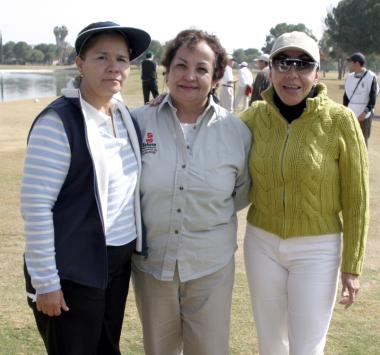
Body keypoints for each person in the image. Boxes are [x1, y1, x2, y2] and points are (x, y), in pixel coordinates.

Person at [20, 21, 151, 355]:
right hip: (73, 270)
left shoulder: (124, 116)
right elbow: (36, 207)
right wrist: (45, 282)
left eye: (121, 59)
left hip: (116, 262)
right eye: (101, 57)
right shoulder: (59, 121)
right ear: (80, 63)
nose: (113, 67)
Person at [240, 31, 369, 355]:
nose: (292, 74)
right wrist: (169, 101)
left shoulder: (341, 121)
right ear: (270, 69)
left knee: (306, 347)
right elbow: (211, 134)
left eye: (303, 64)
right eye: (283, 63)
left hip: (317, 250)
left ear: (316, 71)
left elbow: (357, 199)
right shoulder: (254, 116)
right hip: (262, 244)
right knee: (271, 343)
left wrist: (351, 266)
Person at [131, 29, 251, 355]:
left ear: (215, 78)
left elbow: (240, 193)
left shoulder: (236, 132)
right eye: (181, 66)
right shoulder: (137, 122)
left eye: (202, 68)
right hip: (152, 266)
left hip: (210, 266)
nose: (190, 76)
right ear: (167, 71)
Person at [343, 52, 379, 147]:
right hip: (351, 114)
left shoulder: (371, 77)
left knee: (363, 140)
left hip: (364, 116)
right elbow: (346, 96)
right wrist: (345, 111)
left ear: (357, 63)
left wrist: (365, 113)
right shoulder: (349, 77)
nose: (348, 65)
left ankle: (363, 161)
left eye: (350, 62)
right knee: (350, 138)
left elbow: (373, 97)